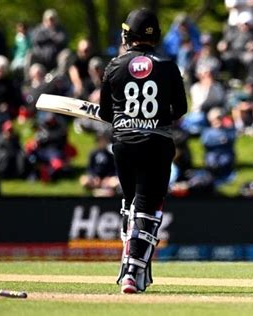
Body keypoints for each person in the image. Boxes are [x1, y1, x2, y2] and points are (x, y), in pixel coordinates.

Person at [98, 8, 188, 294]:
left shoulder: (114, 66)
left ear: (127, 35)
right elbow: (180, 110)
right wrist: (155, 116)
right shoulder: (168, 66)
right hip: (157, 144)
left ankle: (131, 269)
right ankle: (132, 273)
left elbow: (104, 112)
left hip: (124, 144)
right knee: (148, 208)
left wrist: (129, 118)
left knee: (131, 205)